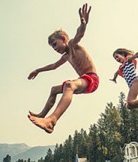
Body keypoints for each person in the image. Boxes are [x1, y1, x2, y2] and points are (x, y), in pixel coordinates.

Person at [27, 3, 99, 133]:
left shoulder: (72, 45)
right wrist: (38, 70)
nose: (55, 49)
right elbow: (53, 66)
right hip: (82, 80)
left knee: (69, 86)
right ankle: (43, 115)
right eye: (52, 48)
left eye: (55, 44)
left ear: (64, 39)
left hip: (91, 79)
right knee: (54, 90)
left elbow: (79, 34)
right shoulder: (66, 56)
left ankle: (51, 121)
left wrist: (84, 24)